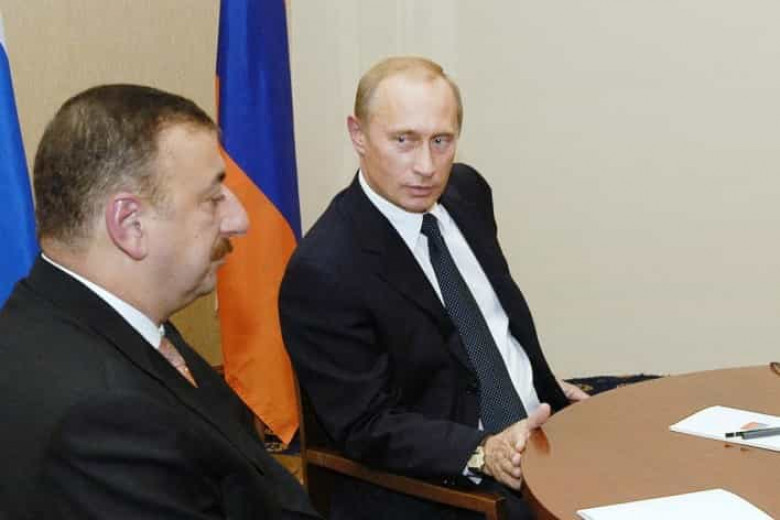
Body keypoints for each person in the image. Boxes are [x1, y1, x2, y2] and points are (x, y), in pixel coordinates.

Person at [279, 56, 588, 519]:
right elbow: (367, 424)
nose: (426, 167)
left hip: (541, 430)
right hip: (448, 483)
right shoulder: (324, 269)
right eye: (403, 140)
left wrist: (538, 383)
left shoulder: (467, 192)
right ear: (358, 135)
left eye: (441, 141)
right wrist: (485, 451)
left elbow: (484, 329)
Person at [0, 85, 320, 519]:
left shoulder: (95, 318)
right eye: (213, 199)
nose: (240, 220)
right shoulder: (101, 416)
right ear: (130, 224)